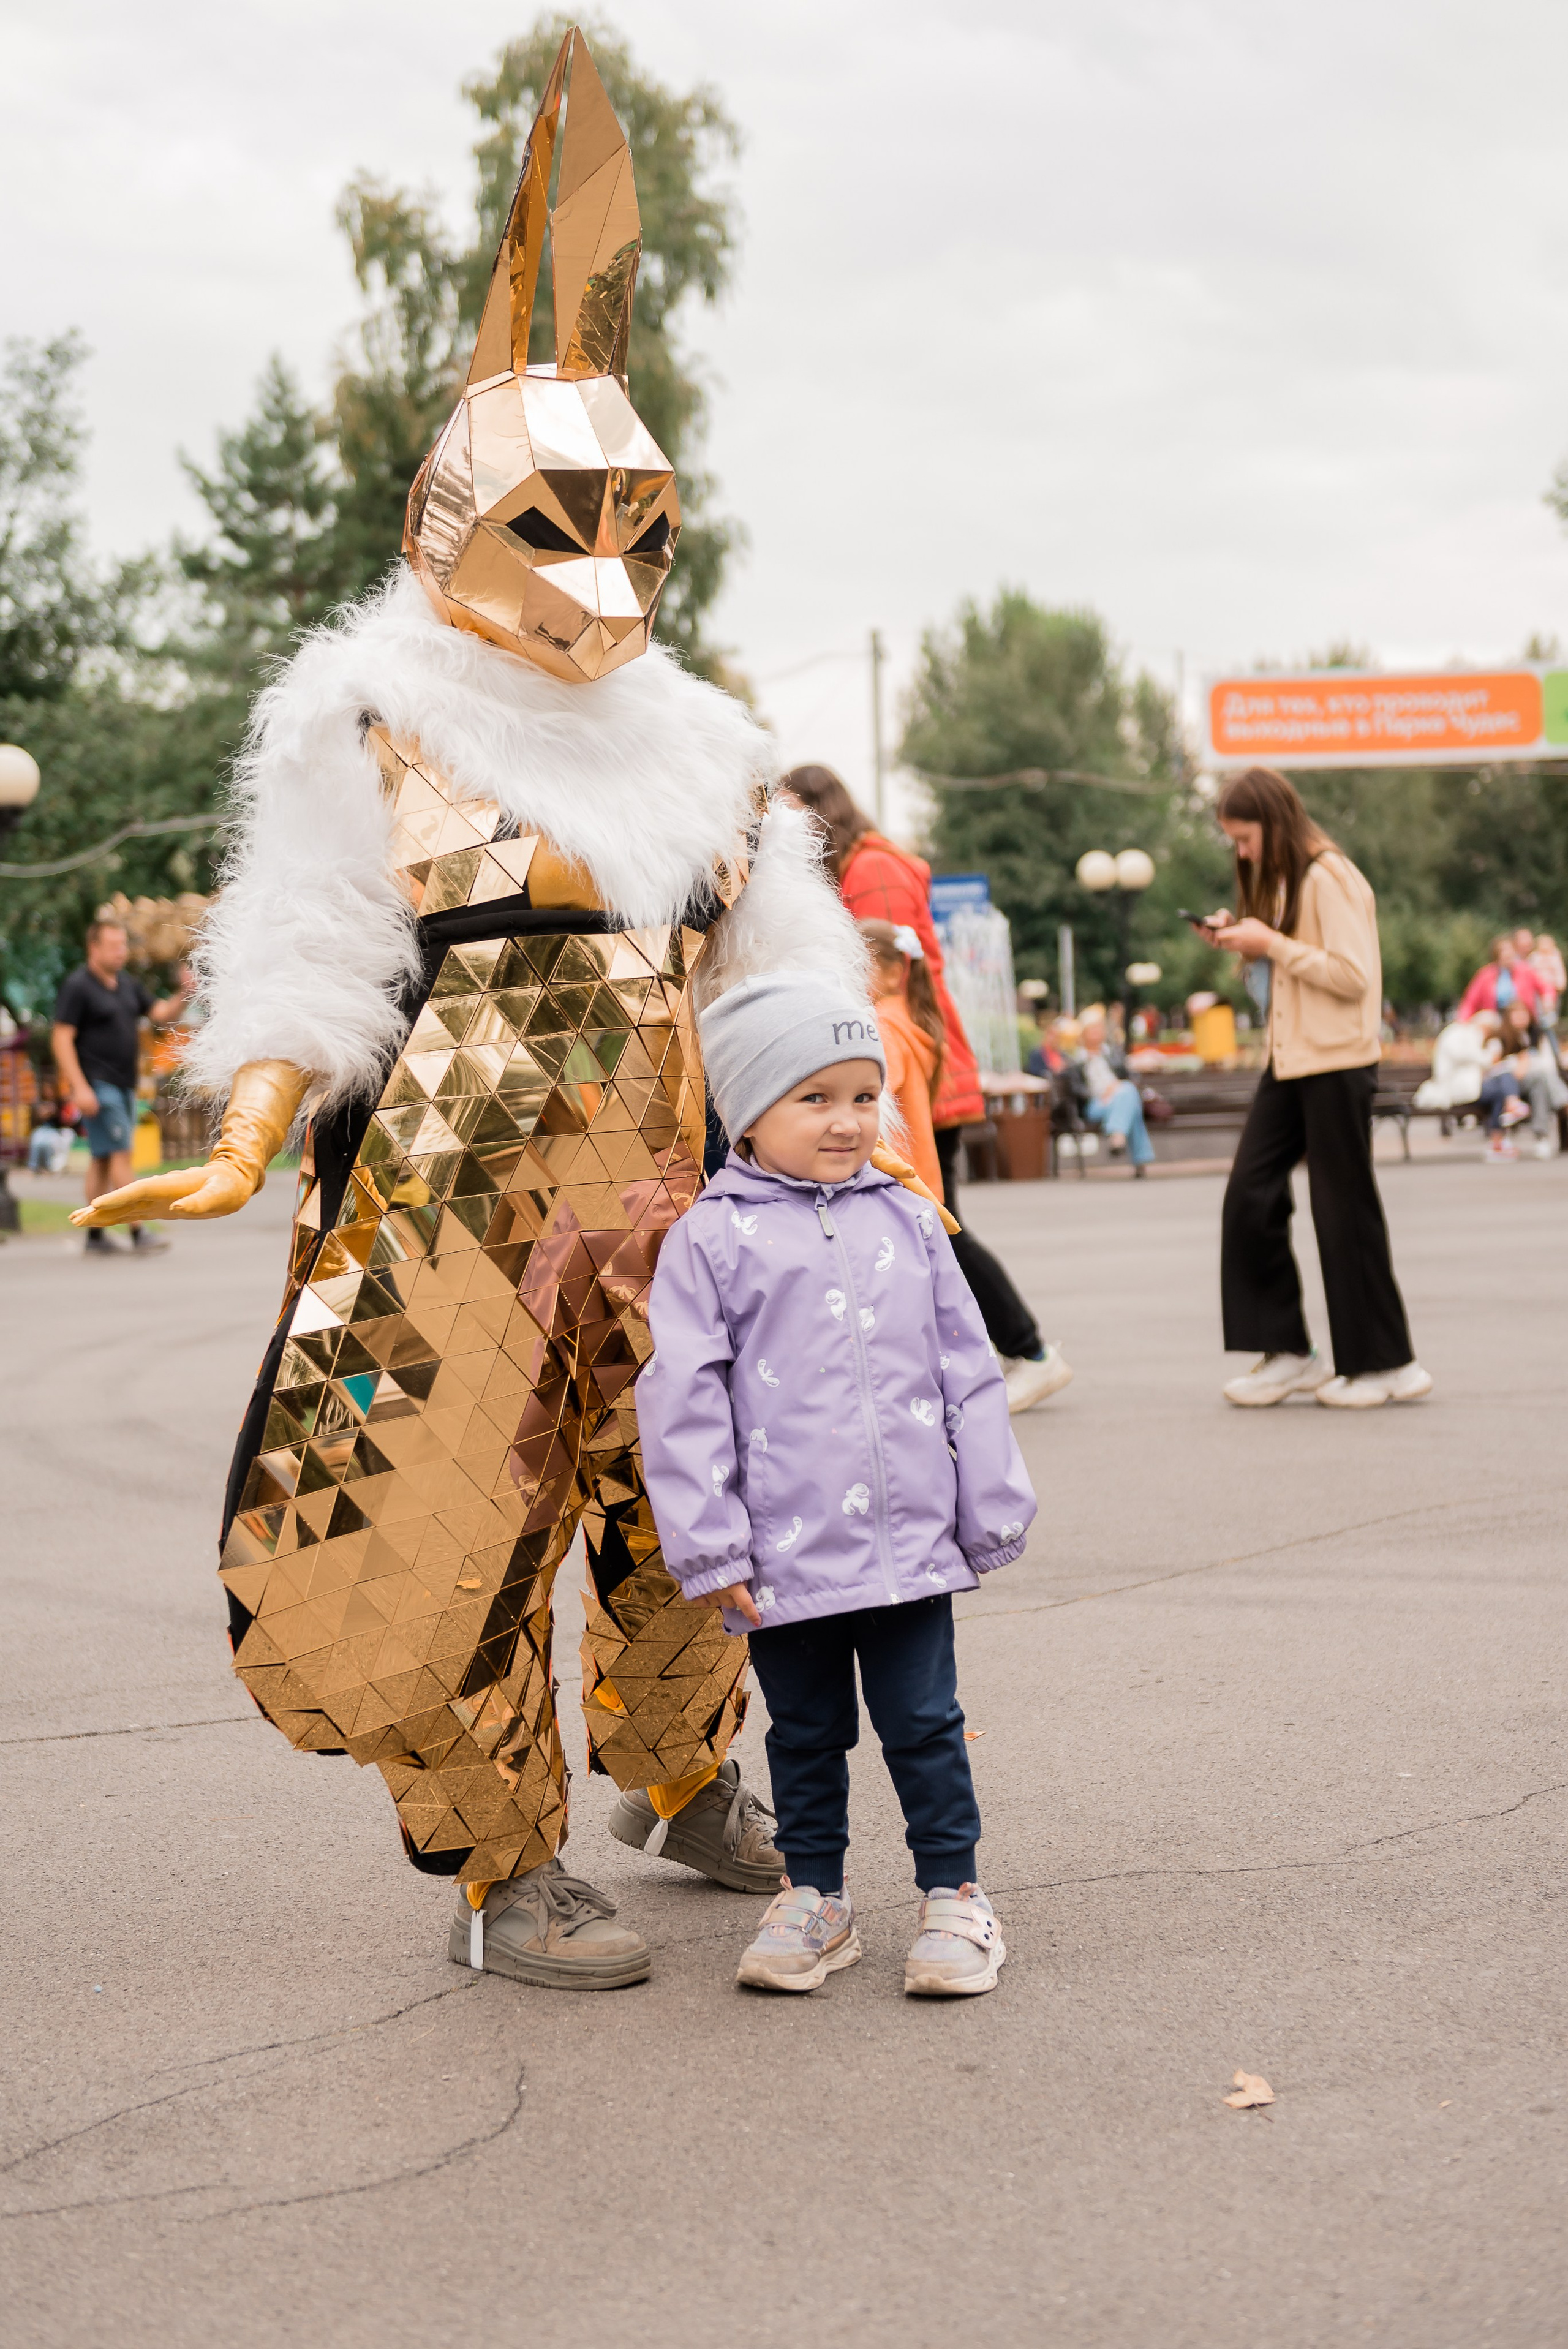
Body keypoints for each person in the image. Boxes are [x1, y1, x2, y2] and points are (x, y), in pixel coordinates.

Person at [67, 29, 895, 1992]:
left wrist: (868, 1135)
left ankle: (684, 1776)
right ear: (454, 520)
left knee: (715, 1502)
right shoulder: (371, 719)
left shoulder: (702, 747)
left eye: (637, 527)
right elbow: (308, 946)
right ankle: (502, 1865)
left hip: (689, 1206)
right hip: (446, 1211)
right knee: (435, 1542)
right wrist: (248, 1129)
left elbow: (779, 964)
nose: (600, 570)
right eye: (553, 520)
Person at [636, 969, 1036, 1996]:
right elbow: (682, 1400)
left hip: (909, 1547)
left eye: (865, 1096)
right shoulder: (710, 1242)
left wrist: (989, 1500)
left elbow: (967, 1367)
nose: (848, 1121)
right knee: (805, 1731)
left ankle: (955, 1896)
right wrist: (711, 1545)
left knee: (924, 1723)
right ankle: (815, 1895)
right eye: (815, 1098)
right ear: (748, 1109)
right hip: (780, 1554)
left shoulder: (908, 1222)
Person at [781, 764, 1071, 1410]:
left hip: (907, 1077)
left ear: (819, 812)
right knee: (935, 1226)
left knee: (938, 1226)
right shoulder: (865, 865)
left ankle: (1027, 1348)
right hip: (914, 1074)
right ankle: (1006, 1352)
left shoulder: (873, 871)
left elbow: (884, 972)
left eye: (793, 814)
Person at [1205, 766, 1432, 1410]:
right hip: (1292, 1060)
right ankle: (1288, 1353)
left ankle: (1387, 1364)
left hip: (1335, 1061)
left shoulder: (1328, 875)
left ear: (1272, 823)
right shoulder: (1288, 882)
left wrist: (1270, 943)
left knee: (1343, 1209)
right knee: (1249, 1194)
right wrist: (1247, 938)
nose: (1241, 851)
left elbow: (1353, 976)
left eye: (1244, 838)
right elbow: (1296, 961)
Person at [52, 918, 187, 1254]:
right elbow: (61, 1038)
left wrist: (187, 992)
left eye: (123, 945)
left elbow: (159, 1012)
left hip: (125, 1085)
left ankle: (94, 1235)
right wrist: (79, 1087)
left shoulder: (126, 985)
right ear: (93, 949)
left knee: (100, 1158)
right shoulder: (79, 987)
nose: (120, 952)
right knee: (120, 1157)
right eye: (113, 946)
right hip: (99, 1086)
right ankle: (138, 1232)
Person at [858, 917, 944, 1199]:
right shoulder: (906, 1021)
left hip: (896, 1181)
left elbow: (876, 1101)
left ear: (894, 974)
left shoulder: (882, 1027)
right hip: (917, 1179)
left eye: (859, 967)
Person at [1074, 1004, 1155, 1177]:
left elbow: (1131, 1076)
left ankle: (1117, 1136)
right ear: (1084, 1033)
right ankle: (1140, 1159)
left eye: (1099, 1028)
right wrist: (1103, 1094)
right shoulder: (1077, 1059)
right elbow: (1076, 1089)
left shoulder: (1112, 1054)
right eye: (1093, 1029)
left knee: (1127, 1095)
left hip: (1119, 1098)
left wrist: (1116, 1087)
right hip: (1096, 1103)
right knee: (1129, 1098)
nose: (1097, 1032)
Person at [1479, 1001, 1565, 1161]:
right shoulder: (1500, 1038)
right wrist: (1516, 1064)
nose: (1520, 1019)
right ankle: (1559, 1104)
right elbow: (1492, 1066)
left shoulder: (1536, 1035)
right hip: (1501, 1085)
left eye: (1524, 1014)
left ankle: (1541, 1136)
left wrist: (1526, 1065)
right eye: (1516, 1015)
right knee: (1513, 1077)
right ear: (1508, 1018)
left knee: (1540, 1082)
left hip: (1529, 1083)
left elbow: (1547, 1064)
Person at [1413, 1008, 1499, 1118]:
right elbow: (1476, 1058)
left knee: (1500, 1087)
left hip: (1458, 1085)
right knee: (1498, 1092)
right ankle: (1496, 1131)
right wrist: (1492, 1055)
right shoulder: (1465, 1033)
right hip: (1456, 1087)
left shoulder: (1460, 1032)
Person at [1457, 936, 1545, 1023]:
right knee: (1486, 1019)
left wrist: (1548, 1000)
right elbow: (1470, 1002)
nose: (1507, 955)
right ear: (1497, 956)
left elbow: (1545, 987)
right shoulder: (1485, 975)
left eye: (1510, 951)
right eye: (1503, 952)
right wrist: (1462, 1020)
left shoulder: (1526, 970)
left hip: (1523, 1018)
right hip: (1497, 1019)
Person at [1527, 932, 1565, 1026]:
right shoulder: (1534, 957)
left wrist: (1560, 984)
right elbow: (1529, 970)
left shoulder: (1555, 957)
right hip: (1536, 987)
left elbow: (1560, 972)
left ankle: (1549, 1018)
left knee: (1550, 1003)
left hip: (1551, 986)